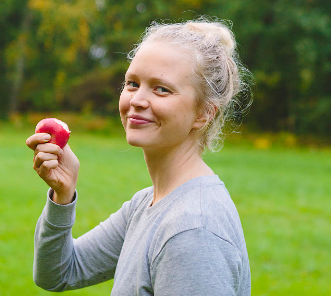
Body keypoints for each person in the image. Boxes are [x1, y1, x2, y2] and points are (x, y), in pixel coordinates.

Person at [26, 17, 252, 295]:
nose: (137, 100)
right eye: (132, 83)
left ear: (204, 113)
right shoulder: (147, 204)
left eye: (161, 89)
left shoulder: (192, 230)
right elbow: (59, 273)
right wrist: (64, 194)